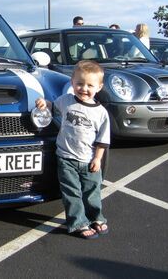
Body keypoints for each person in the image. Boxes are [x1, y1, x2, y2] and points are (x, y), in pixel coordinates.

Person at [36, 60, 110, 239]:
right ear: (72, 83)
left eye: (90, 85)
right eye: (80, 83)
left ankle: (95, 217)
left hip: (89, 160)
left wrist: (97, 159)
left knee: (93, 191)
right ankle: (78, 222)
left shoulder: (101, 113)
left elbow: (102, 141)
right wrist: (43, 102)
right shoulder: (66, 101)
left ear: (99, 87)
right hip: (66, 158)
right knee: (72, 193)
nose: (84, 88)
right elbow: (52, 106)